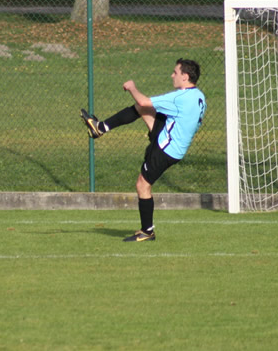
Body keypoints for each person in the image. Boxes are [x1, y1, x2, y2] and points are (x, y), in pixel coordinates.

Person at [79, 59, 206, 242]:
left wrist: (132, 87)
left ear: (185, 77)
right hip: (174, 143)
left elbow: (143, 99)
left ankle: (147, 231)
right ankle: (101, 128)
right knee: (142, 108)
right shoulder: (199, 96)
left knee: (142, 185)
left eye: (175, 72)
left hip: (165, 149)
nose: (172, 75)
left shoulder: (180, 98)